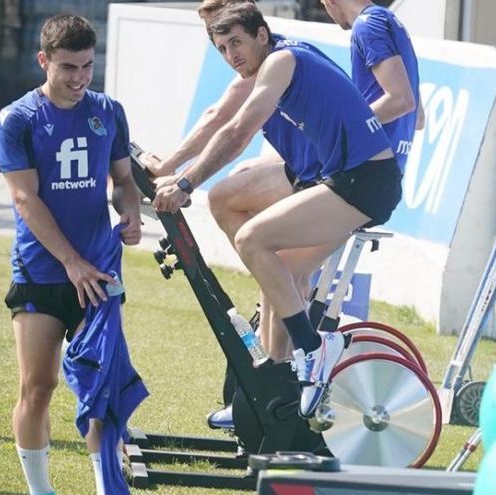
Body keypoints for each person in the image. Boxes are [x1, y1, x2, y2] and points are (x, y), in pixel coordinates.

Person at [153, 4, 401, 418]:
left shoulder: (282, 61)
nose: (231, 55)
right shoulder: (267, 65)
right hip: (343, 179)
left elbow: (237, 132)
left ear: (262, 35)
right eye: (222, 49)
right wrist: (168, 169)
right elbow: (222, 120)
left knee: (254, 240)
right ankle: (274, 393)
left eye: (236, 43)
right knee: (276, 276)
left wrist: (184, 182)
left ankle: (314, 347)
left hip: (364, 182)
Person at [0, 14, 142, 495]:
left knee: (101, 391)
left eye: (86, 67)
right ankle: (41, 491)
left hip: (98, 272)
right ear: (44, 61)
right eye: (67, 68)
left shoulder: (108, 111)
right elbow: (25, 199)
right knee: (38, 387)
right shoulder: (17, 119)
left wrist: (131, 213)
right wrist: (69, 263)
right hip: (41, 273)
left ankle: (105, 488)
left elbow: (123, 180)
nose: (79, 78)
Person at [320, 0, 423, 168]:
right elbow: (418, 118)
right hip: (391, 168)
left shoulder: (366, 27)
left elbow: (402, 101)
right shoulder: (391, 21)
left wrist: (340, 129)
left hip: (370, 166)